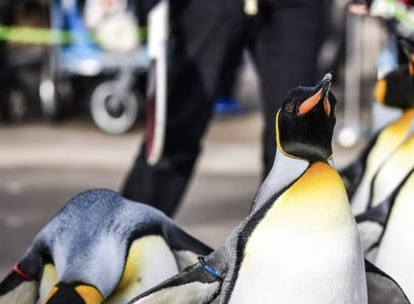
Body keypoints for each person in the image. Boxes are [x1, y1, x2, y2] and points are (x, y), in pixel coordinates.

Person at [121, 0, 329, 216]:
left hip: (295, 8)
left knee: (294, 142)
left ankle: (281, 244)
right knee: (176, 131)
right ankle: (125, 236)